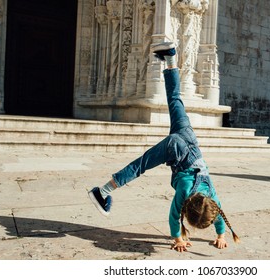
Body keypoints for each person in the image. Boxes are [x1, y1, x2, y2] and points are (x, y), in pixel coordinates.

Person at [88, 42, 239, 252]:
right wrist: (178, 240)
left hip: (189, 139)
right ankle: (101, 192)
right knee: (139, 166)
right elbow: (173, 215)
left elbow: (218, 213)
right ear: (188, 211)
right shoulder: (186, 193)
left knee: (175, 100)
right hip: (175, 149)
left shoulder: (210, 197)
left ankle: (169, 58)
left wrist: (221, 235)